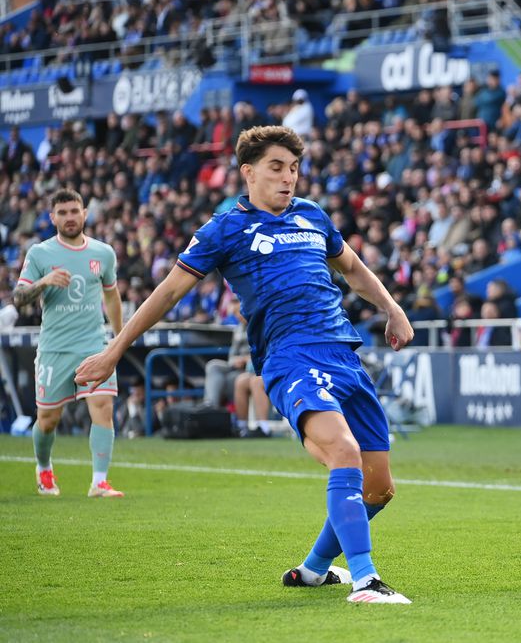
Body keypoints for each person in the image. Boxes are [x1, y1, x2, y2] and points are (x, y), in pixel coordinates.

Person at [75, 126, 416, 604]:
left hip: (344, 353)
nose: (288, 178)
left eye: (294, 168)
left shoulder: (313, 217)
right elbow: (169, 292)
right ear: (248, 172)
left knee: (379, 487)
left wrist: (392, 308)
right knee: (343, 450)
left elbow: (354, 269)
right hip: (291, 357)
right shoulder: (225, 228)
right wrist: (115, 350)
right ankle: (366, 580)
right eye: (277, 167)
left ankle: (315, 569)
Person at [14, 188, 125, 498]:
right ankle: (44, 468)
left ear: (85, 214)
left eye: (74, 211)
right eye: (62, 213)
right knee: (48, 420)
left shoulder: (103, 253)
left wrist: (118, 341)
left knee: (102, 407)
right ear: (53, 218)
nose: (70, 217)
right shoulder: (40, 253)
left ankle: (99, 482)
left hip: (93, 345)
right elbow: (19, 297)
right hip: (54, 349)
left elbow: (111, 295)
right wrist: (44, 282)